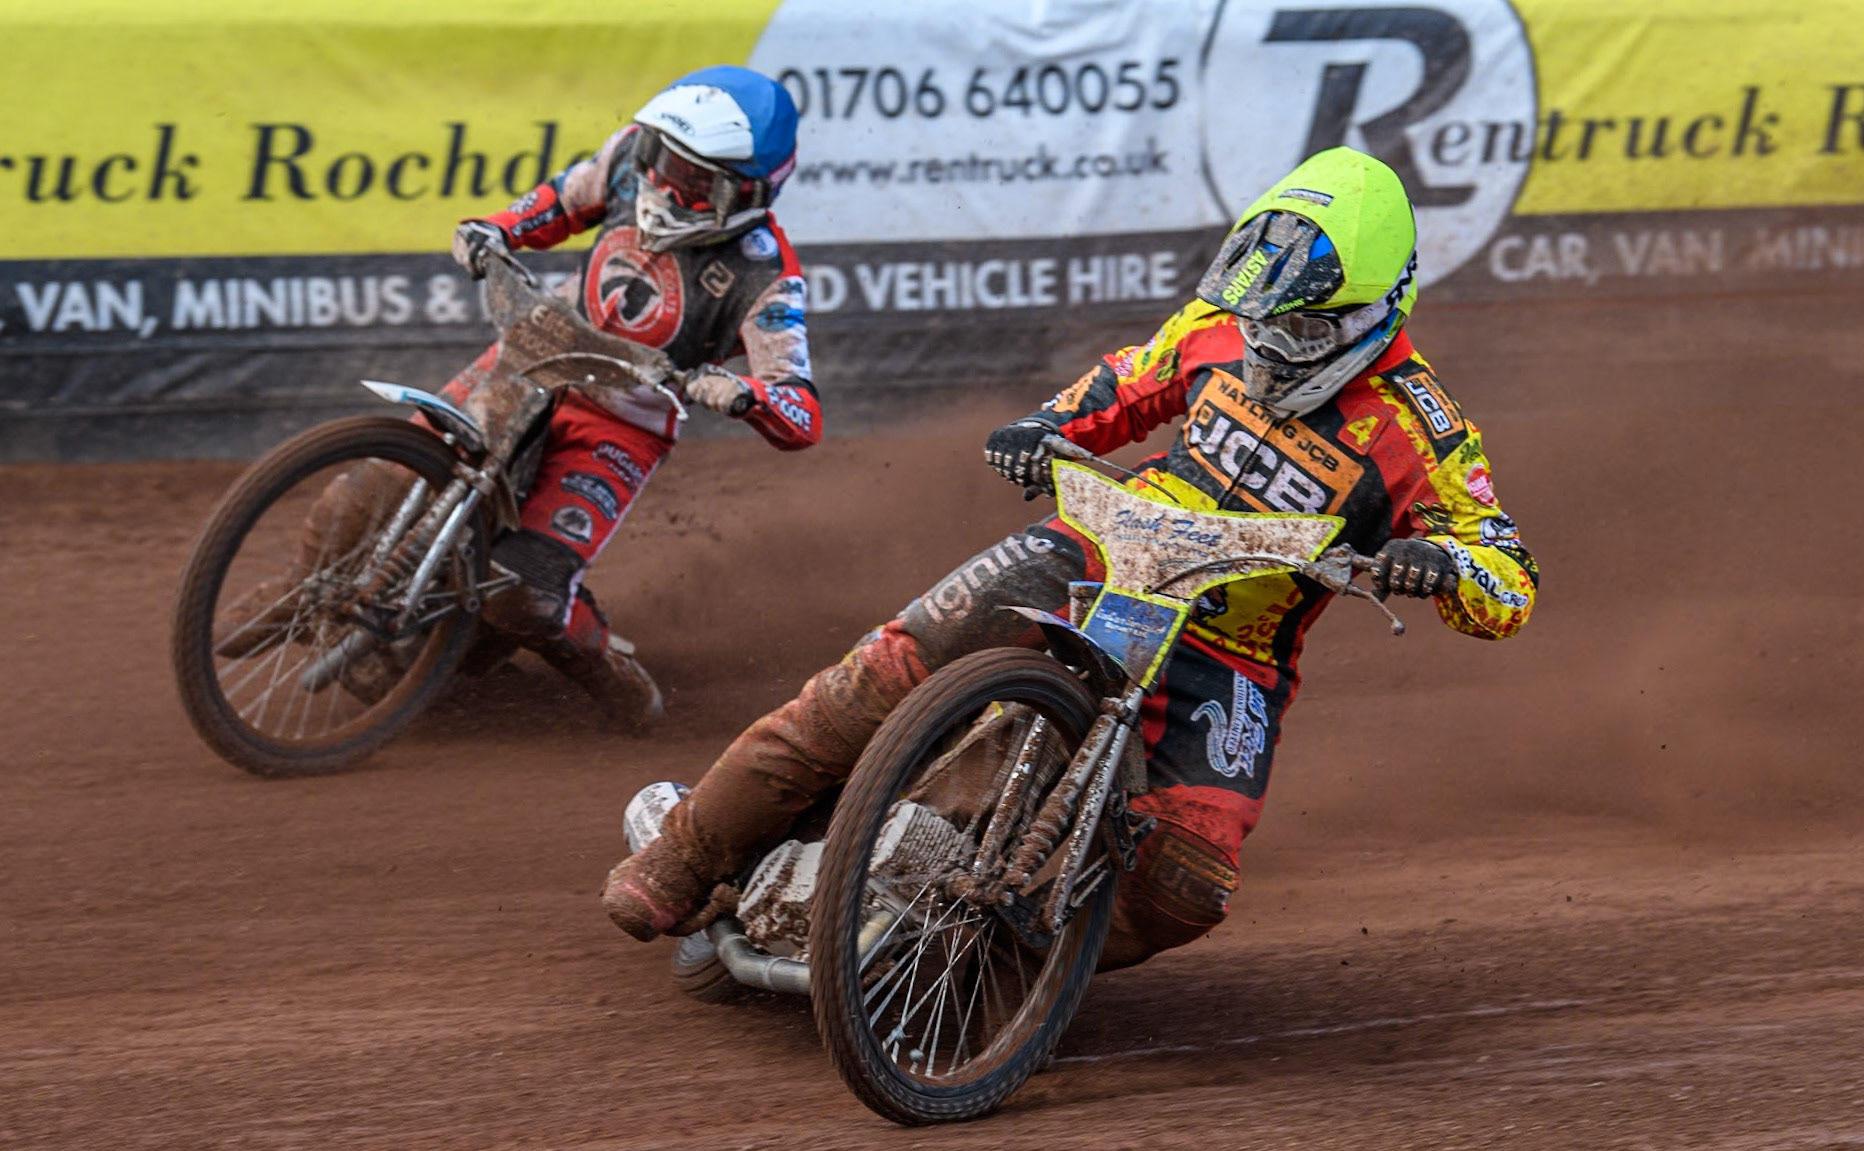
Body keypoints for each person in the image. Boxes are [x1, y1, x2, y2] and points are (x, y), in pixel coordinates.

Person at [601, 147, 1538, 966]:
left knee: (1187, 884)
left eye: (1298, 329)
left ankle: (999, 970)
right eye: (1261, 317)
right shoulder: (1223, 325)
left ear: (1376, 309)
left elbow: (1510, 580)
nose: (1267, 344)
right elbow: (1129, 380)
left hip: (1228, 648)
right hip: (1096, 547)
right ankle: (679, 857)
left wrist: (1450, 568)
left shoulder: (1424, 431)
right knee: (877, 677)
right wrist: (1046, 423)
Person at [221, 66, 822, 727]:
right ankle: (299, 590)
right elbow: (565, 199)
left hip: (621, 422)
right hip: (535, 350)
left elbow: (801, 407)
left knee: (521, 594)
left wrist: (743, 394)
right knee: (374, 485)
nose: (663, 184)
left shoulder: (767, 277)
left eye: (694, 180)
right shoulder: (628, 156)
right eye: (662, 159)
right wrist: (497, 230)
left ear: (749, 192)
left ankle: (604, 666)